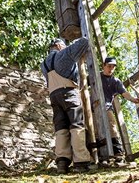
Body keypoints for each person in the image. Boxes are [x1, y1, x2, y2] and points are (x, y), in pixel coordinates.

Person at [41, 37, 94, 174]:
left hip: (54, 97)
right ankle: (80, 162)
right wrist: (70, 45)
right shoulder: (63, 54)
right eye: (63, 46)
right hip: (69, 93)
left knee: (61, 128)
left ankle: (62, 163)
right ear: (59, 46)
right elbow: (84, 42)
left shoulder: (44, 64)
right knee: (76, 125)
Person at [100, 57, 139, 162]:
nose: (111, 69)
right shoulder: (95, 76)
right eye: (109, 66)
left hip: (106, 107)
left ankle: (118, 153)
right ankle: (101, 156)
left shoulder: (115, 81)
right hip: (93, 108)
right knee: (97, 131)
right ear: (103, 66)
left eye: (113, 67)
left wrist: (133, 99)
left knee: (112, 127)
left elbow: (124, 93)